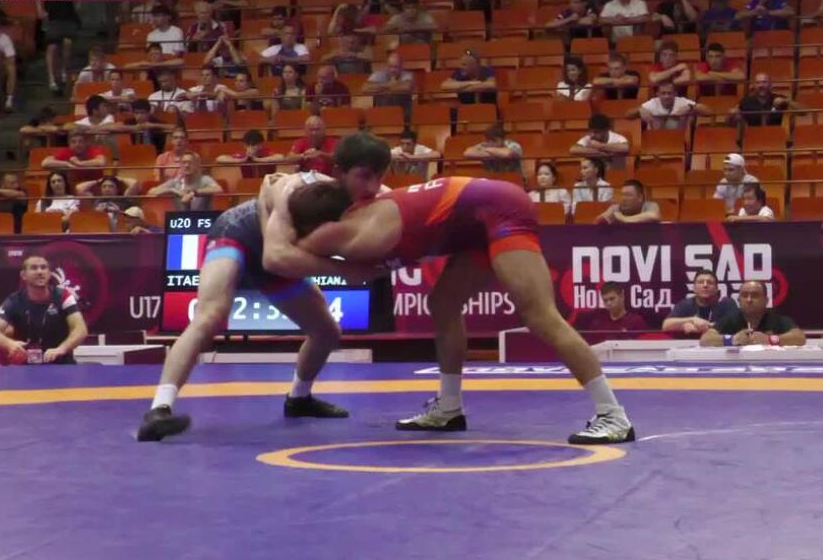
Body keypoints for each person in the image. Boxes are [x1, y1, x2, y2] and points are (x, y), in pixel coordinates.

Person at [279, 175, 636, 444]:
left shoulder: (363, 231)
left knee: (539, 316)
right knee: (443, 303)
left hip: (500, 209)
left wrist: (276, 205)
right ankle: (449, 408)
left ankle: (613, 415)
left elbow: (279, 255)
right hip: (476, 221)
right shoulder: (364, 216)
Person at [135, 133, 395, 441]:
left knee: (327, 331)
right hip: (238, 234)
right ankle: (159, 409)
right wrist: (345, 270)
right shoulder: (296, 188)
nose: (372, 187)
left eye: (379, 177)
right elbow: (274, 258)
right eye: (364, 176)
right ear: (339, 172)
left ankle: (299, 399)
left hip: (280, 254)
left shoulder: (380, 199)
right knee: (210, 317)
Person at [0, 253, 88, 365]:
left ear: (49, 274)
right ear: (23, 275)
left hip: (61, 364)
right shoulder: (14, 301)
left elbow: (80, 330)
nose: (40, 272)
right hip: (25, 366)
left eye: (44, 268)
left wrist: (61, 349)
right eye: (34, 268)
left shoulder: (63, 296)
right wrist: (10, 344)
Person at [700, 280, 806, 347]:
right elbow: (705, 339)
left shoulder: (776, 319)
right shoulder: (731, 319)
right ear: (739, 300)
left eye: (755, 295)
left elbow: (799, 337)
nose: (749, 300)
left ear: (766, 300)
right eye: (744, 295)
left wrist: (769, 340)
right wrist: (732, 339)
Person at [662, 269, 741, 335]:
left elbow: (735, 325)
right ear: (694, 288)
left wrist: (701, 328)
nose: (705, 285)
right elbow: (666, 325)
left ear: (717, 288)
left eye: (710, 282)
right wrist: (692, 320)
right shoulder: (685, 304)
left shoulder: (726, 303)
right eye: (700, 282)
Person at [148, 152, 224, 210]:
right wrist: (171, 190)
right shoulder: (175, 182)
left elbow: (219, 189)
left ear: (196, 165)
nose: (187, 165)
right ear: (181, 166)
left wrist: (194, 193)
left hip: (202, 219)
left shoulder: (205, 179)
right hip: (181, 219)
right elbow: (151, 192)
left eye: (190, 163)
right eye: (184, 163)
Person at [578, 283, 649, 332]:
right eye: (605, 300)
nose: (608, 303)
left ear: (622, 296)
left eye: (612, 299)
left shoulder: (636, 322)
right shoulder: (598, 324)